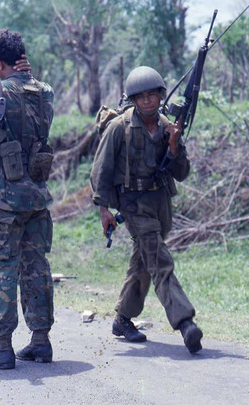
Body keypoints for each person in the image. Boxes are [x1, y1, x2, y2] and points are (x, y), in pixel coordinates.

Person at [90, 66, 203, 354]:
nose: (148, 101)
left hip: (160, 203)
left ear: (160, 96)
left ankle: (123, 319)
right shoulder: (120, 128)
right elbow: (101, 171)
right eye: (141, 97)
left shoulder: (168, 126)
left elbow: (182, 172)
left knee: (144, 261)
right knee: (160, 261)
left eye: (152, 95)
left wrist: (174, 146)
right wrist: (103, 210)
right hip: (132, 204)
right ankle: (185, 322)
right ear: (134, 100)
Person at [0, 29, 55, 369]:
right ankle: (40, 342)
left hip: (2, 201)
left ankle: (2, 347)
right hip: (37, 197)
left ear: (0, 63)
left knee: (1, 269)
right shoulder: (44, 92)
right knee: (37, 269)